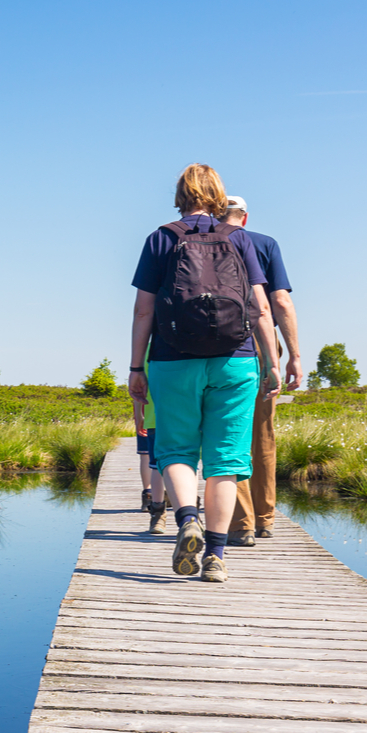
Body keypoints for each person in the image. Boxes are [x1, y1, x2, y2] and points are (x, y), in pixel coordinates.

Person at [127, 165, 281, 583]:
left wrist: (136, 366)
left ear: (180, 194)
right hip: (236, 359)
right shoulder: (241, 238)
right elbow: (261, 308)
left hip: (172, 359)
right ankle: (215, 556)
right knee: (225, 462)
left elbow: (143, 310)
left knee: (175, 450)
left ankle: (187, 519)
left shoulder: (161, 237)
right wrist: (272, 364)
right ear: (218, 195)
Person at [220, 196, 302, 545]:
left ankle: (240, 523)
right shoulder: (265, 244)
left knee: (228, 434)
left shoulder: (202, 240)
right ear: (245, 216)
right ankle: (265, 519)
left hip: (219, 350)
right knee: (262, 433)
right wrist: (293, 355)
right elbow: (280, 302)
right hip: (262, 344)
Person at [132, 378, 167, 527]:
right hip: (179, 417)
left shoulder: (145, 361)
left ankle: (149, 495)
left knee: (147, 457)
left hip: (149, 416)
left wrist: (138, 416)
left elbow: (137, 394)